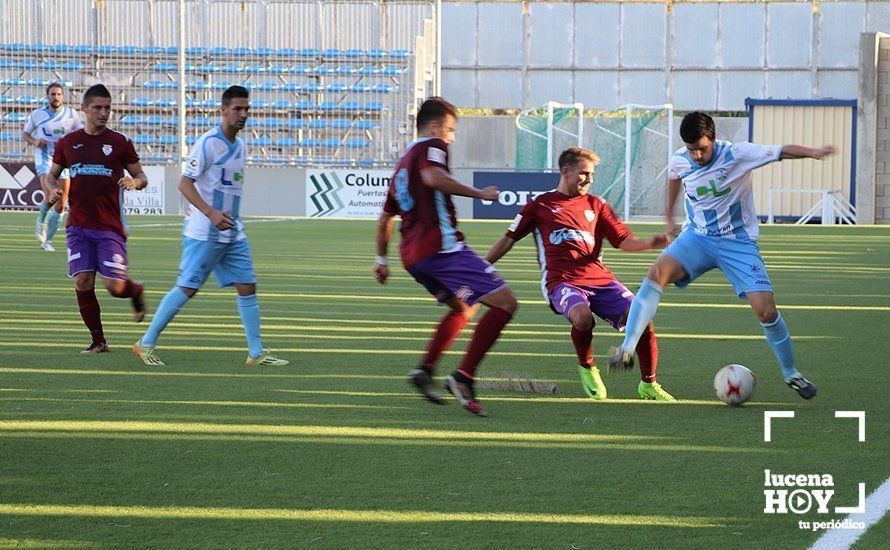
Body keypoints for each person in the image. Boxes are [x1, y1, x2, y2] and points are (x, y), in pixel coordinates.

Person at [609, 112, 835, 399]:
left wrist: (814, 152)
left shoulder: (738, 154)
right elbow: (674, 176)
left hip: (737, 242)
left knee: (766, 310)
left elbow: (781, 151)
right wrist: (669, 216)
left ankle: (792, 374)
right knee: (657, 273)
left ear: (713, 139)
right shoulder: (681, 158)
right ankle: (628, 348)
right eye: (692, 149)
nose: (697, 155)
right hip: (697, 238)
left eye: (702, 148)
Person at [485, 147, 674, 401]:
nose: (589, 179)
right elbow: (507, 240)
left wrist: (651, 242)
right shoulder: (539, 205)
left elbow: (623, 240)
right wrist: (481, 267)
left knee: (641, 317)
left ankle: (648, 384)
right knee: (583, 318)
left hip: (601, 280)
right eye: (584, 174)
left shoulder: (597, 205)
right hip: (560, 282)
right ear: (566, 172)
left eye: (592, 174)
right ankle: (587, 367)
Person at [373, 97, 518, 416]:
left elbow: (385, 219)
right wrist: (480, 194)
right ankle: (463, 377)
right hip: (442, 248)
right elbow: (433, 178)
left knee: (462, 309)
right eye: (451, 129)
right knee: (506, 302)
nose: (451, 137)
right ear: (436, 125)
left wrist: (381, 261)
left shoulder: (403, 163)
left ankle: (426, 369)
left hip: (413, 257)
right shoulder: (433, 146)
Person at [134, 85, 288, 368]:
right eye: (237, 109)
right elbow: (184, 183)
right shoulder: (208, 143)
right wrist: (210, 213)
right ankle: (146, 343)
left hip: (233, 231)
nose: (243, 115)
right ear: (223, 110)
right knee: (187, 288)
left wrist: (226, 218)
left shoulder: (241, 146)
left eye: (246, 109)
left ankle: (256, 353)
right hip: (205, 232)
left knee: (247, 285)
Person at [48, 84, 148, 353]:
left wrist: (134, 182)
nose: (104, 113)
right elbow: (51, 174)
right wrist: (52, 188)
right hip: (78, 226)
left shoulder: (119, 143)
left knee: (115, 287)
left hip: (109, 227)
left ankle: (135, 291)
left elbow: (142, 176)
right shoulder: (67, 143)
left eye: (108, 108)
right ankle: (98, 341)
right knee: (83, 281)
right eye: (98, 108)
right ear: (84, 108)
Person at [23, 82, 82, 251]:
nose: (55, 97)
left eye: (58, 94)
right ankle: (41, 220)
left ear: (62, 96)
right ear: (47, 96)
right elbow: (25, 133)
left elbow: (81, 134)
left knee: (62, 203)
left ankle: (47, 241)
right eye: (52, 94)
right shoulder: (37, 115)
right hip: (45, 158)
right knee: (51, 194)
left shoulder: (72, 114)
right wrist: (34, 141)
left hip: (64, 160)